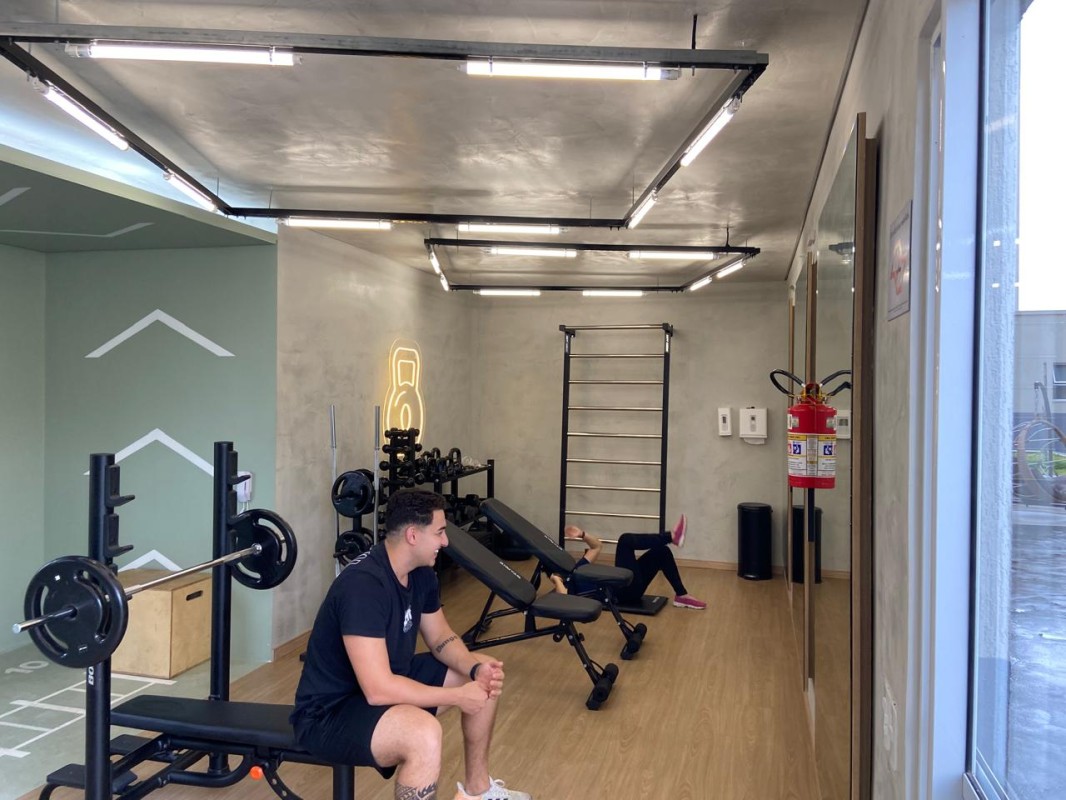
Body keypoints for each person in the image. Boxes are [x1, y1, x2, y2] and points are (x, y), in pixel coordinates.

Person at [291, 489, 531, 800]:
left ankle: (478, 790)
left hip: (387, 679)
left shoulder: (421, 574)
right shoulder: (363, 586)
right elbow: (378, 690)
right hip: (330, 712)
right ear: (413, 536)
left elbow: (441, 638)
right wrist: (458, 696)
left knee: (484, 675)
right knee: (423, 733)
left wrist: (474, 670)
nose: (446, 542)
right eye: (440, 532)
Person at [553, 515, 707, 610]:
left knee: (661, 551)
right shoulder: (566, 586)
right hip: (622, 592)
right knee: (625, 540)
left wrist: (582, 534)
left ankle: (681, 595)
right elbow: (565, 600)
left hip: (625, 584)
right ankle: (670, 537)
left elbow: (597, 546)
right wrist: (556, 579)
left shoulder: (578, 569)